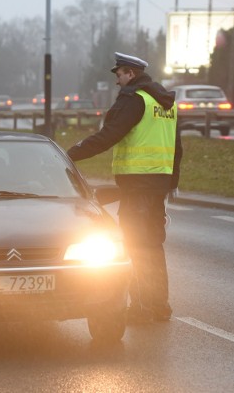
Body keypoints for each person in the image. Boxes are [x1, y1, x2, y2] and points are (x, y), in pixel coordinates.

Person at [67, 52, 182, 322]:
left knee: (135, 246)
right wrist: (172, 183)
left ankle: (141, 308)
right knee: (153, 245)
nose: (117, 80)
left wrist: (69, 155)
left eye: (119, 74)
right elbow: (178, 148)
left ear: (130, 73)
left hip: (137, 184)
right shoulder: (165, 102)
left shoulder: (135, 99)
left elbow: (109, 135)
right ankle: (159, 306)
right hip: (157, 184)